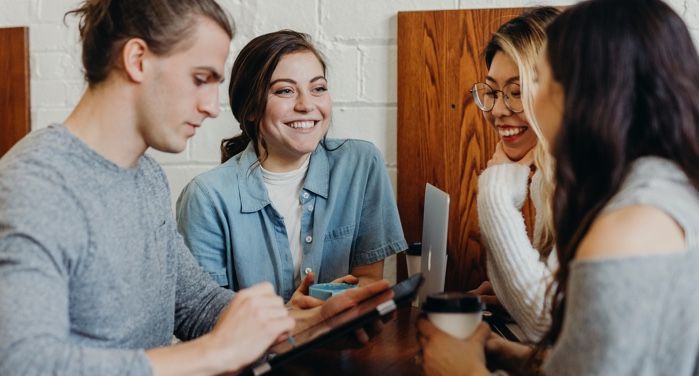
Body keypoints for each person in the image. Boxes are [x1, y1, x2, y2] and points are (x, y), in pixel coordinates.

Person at [0, 1, 390, 375]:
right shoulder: (34, 186)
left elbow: (197, 306)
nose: (211, 107)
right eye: (200, 79)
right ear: (137, 60)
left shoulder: (145, 177)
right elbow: (24, 364)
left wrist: (308, 327)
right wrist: (212, 353)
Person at [418, 0, 699, 374]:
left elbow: (551, 324)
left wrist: (462, 370)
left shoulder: (628, 226)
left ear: (588, 93)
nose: (528, 101)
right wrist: (518, 357)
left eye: (541, 80)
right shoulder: (658, 189)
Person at [176, 30, 407, 306]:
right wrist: (293, 318)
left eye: (318, 88)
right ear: (250, 108)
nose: (306, 105)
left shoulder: (361, 164)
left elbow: (369, 279)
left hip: (343, 345)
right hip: (257, 350)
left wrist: (334, 303)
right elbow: (205, 316)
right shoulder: (206, 197)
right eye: (285, 91)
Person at [471, 6, 559, 341]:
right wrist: (509, 298)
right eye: (491, 92)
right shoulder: (546, 177)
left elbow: (545, 322)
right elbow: (552, 309)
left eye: (517, 91)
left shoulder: (587, 179)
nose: (497, 110)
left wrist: (495, 191)